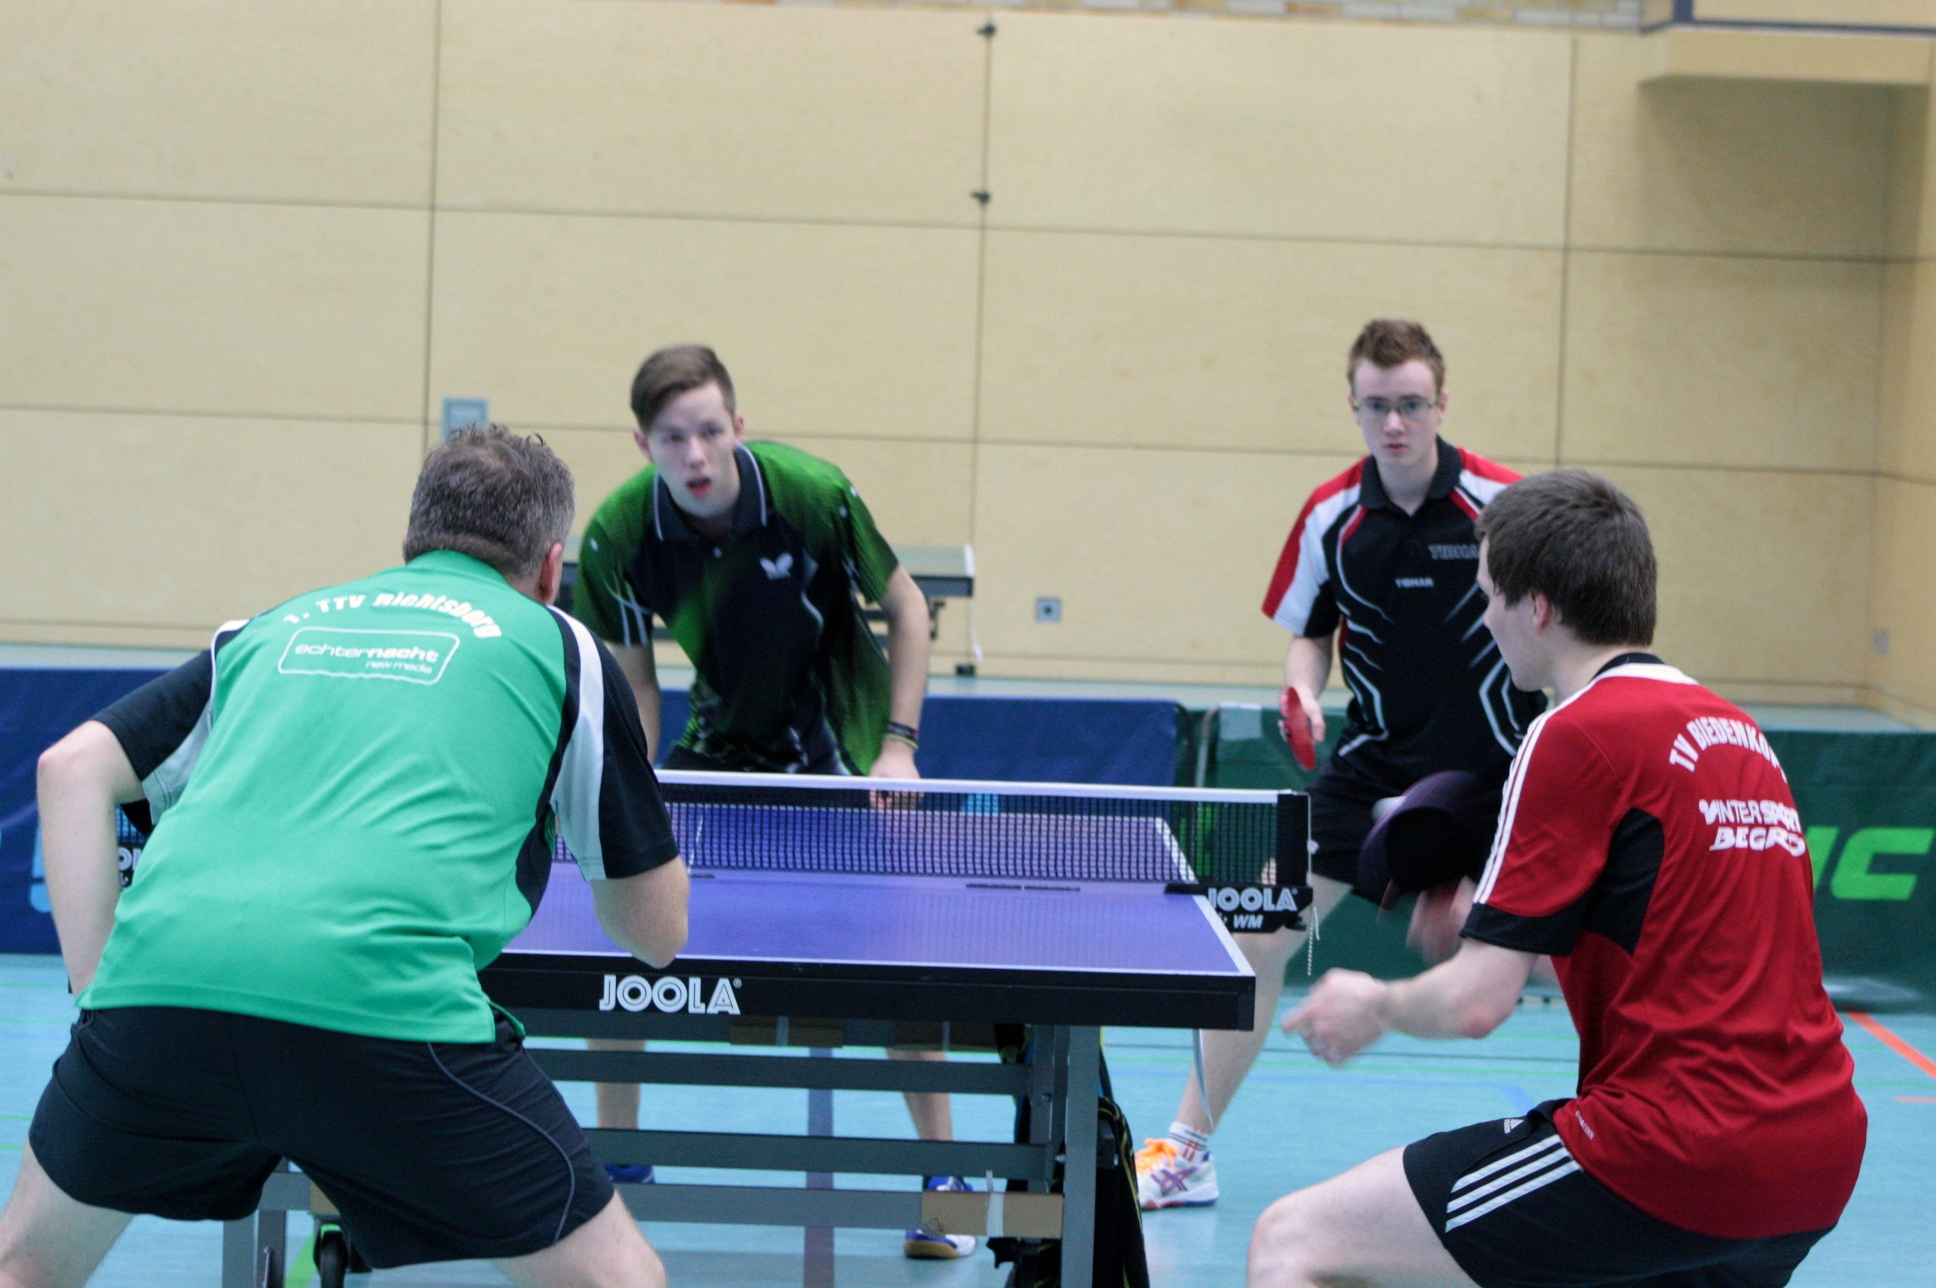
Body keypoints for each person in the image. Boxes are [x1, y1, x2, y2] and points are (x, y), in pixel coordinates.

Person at [0, 427, 691, 1288]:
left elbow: (68, 771)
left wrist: (100, 998)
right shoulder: (560, 645)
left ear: (409, 544)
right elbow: (655, 936)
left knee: (23, 1266)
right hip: (386, 1015)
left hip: (158, 998)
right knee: (621, 1280)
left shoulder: (265, 629)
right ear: (552, 570)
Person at [1252, 470, 1866, 1288]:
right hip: (1815, 1161)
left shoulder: (1574, 731)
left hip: (1673, 1150)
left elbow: (1477, 1004)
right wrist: (1510, 933)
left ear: (1536, 606)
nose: (1485, 617)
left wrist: (1379, 1004)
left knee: (1295, 1241)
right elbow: (1685, 950)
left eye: (1489, 597)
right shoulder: (1740, 734)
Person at [571, 344, 975, 1258]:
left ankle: (948, 1176)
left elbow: (906, 608)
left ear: (738, 427)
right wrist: (631, 785)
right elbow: (634, 683)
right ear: (644, 443)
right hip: (719, 756)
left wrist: (899, 748)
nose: (697, 455)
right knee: (624, 940)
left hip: (844, 761)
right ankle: (624, 1161)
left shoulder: (809, 493)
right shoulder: (619, 535)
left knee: (895, 975)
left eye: (711, 430)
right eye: (674, 438)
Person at [1136, 319, 1545, 1210]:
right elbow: (1309, 635)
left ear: (1440, 403)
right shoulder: (1332, 515)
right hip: (1375, 764)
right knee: (1250, 933)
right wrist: (1301, 690)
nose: (1393, 423)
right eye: (1375, 406)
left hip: (1504, 772)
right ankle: (1188, 1149)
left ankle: (1615, 1139)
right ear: (1353, 407)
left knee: (1566, 957)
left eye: (1409, 404)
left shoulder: (1504, 506)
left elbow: (1560, 624)